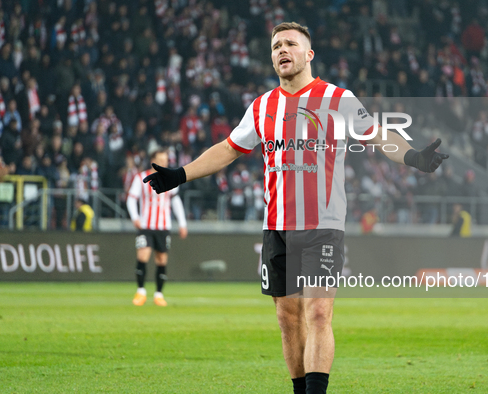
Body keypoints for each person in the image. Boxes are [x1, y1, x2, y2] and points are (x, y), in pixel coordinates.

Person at [143, 22, 448, 393]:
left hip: (324, 224)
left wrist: (414, 156)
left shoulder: (338, 99)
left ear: (309, 54)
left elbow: (378, 135)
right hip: (278, 227)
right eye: (275, 46)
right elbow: (227, 149)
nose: (281, 50)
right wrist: (181, 174)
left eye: (290, 43)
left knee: (318, 312)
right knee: (287, 318)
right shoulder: (262, 106)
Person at [127, 149, 188, 307]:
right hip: (146, 225)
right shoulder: (141, 177)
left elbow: (175, 201)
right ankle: (141, 292)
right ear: (152, 160)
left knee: (161, 260)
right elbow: (131, 199)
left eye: (165, 160)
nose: (163, 162)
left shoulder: (171, 178)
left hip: (163, 226)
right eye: (160, 159)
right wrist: (135, 218)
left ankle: (159, 294)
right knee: (143, 256)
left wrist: (182, 223)